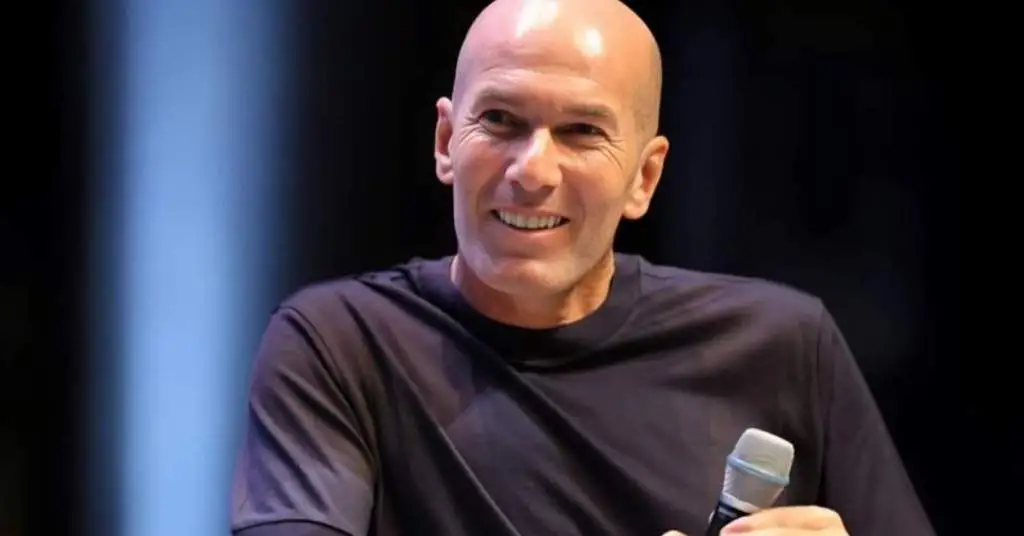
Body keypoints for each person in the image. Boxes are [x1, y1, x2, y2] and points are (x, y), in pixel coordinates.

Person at [229, 0, 935, 534]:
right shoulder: (341, 345)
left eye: (581, 132)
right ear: (446, 141)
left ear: (644, 177)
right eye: (500, 120)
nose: (532, 172)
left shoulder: (780, 345)